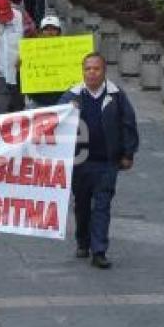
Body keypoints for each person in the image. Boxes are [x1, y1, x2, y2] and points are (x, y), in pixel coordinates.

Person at [60, 53, 139, 268]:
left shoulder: (116, 96)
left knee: (102, 205)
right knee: (82, 205)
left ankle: (99, 250)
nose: (92, 72)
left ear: (104, 72)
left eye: (96, 69)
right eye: (88, 69)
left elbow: (128, 123)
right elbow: (54, 122)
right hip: (80, 163)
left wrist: (128, 153)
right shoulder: (71, 97)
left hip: (106, 162)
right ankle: (83, 242)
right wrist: (68, 112)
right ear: (82, 71)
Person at [27, 15, 66, 108]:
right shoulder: (30, 51)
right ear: (41, 32)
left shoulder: (68, 50)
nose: (50, 32)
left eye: (53, 29)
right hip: (38, 100)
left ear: (59, 32)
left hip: (61, 101)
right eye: (46, 29)